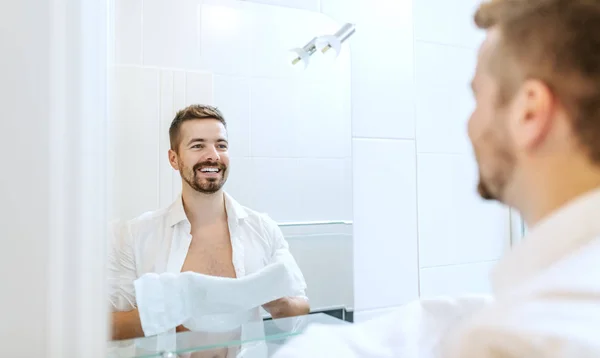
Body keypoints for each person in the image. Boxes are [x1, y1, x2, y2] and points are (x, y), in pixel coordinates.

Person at [272, 0, 600, 357]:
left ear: (529, 113)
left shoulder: (526, 340)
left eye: (478, 97)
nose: (471, 124)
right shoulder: (554, 295)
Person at [108, 104, 310, 342]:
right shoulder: (137, 235)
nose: (213, 155)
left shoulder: (263, 229)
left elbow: (301, 308)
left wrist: (277, 302)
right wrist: (171, 317)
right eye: (198, 145)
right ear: (174, 158)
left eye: (221, 145)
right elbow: (109, 324)